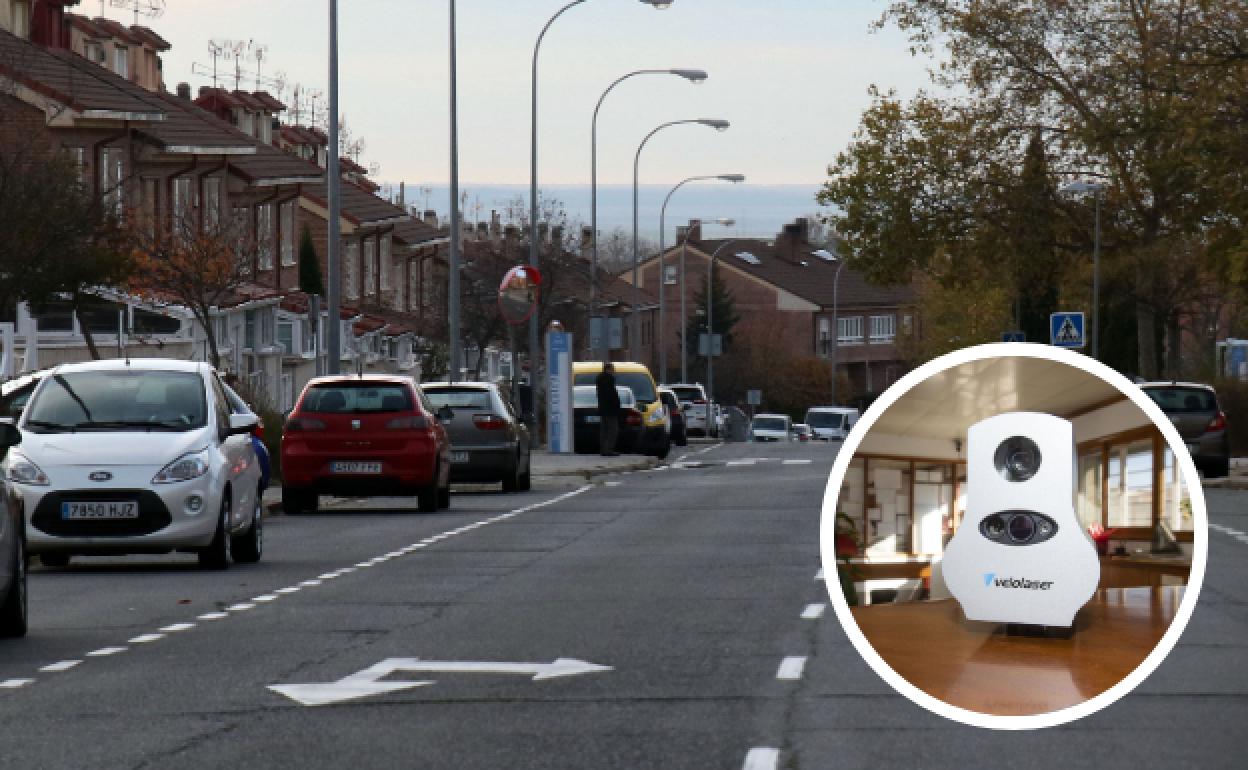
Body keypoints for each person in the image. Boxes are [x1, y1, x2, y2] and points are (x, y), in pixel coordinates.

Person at [595, 362, 621, 456]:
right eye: (612, 369)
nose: (614, 371)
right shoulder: (609, 380)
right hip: (610, 410)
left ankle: (603, 449)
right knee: (613, 430)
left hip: (603, 409)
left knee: (604, 430)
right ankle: (609, 450)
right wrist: (616, 404)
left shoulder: (600, 380)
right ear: (608, 369)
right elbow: (611, 395)